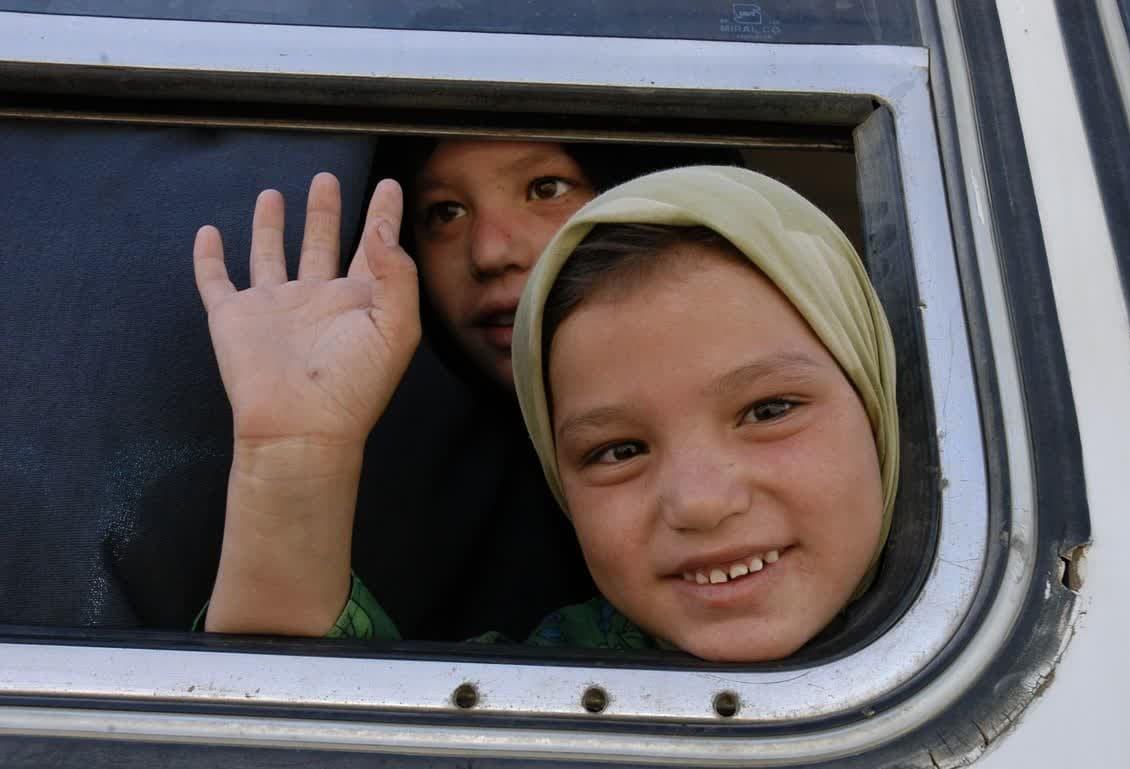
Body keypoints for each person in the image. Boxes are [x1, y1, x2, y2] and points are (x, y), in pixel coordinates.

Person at [195, 165, 898, 662]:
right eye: (617, 450)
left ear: (872, 406)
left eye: (769, 409)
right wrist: (295, 458)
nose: (701, 502)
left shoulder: (993, 628)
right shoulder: (553, 684)